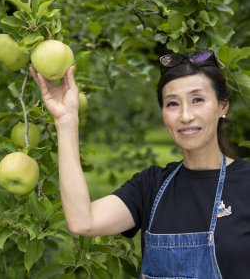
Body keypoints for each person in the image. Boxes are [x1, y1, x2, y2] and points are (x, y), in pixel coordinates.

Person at [30, 49, 250, 279]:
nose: (185, 116)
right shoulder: (151, 186)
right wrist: (66, 120)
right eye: (172, 104)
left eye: (198, 100)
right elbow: (82, 222)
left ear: (222, 106)